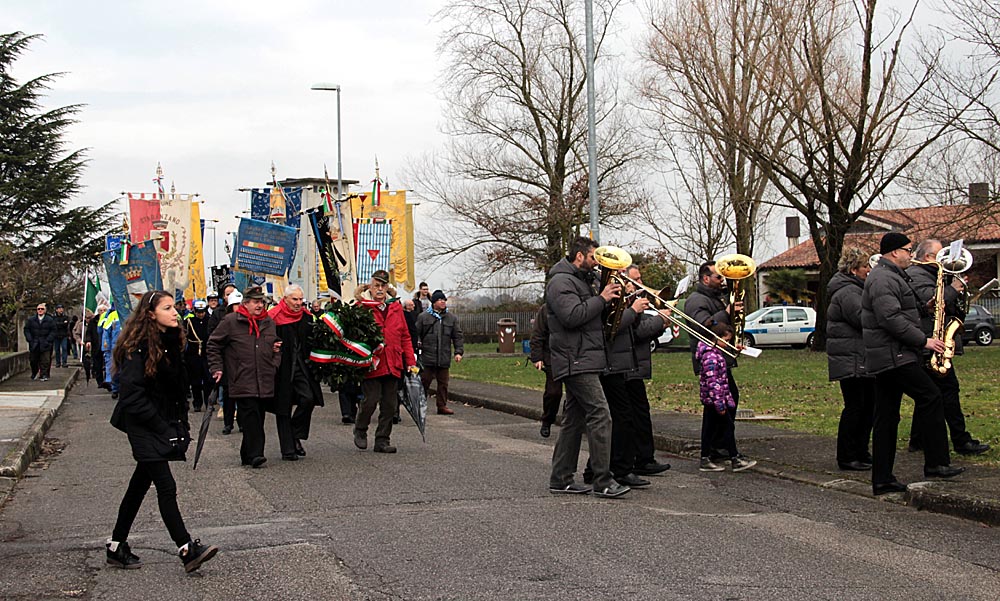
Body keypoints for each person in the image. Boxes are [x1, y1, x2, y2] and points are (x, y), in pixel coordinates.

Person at [106, 289, 218, 573]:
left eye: (173, 307)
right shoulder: (136, 347)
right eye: (167, 308)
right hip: (142, 424)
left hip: (161, 421)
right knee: (166, 486)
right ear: (150, 314)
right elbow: (131, 396)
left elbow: (176, 390)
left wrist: (179, 424)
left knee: (139, 485)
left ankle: (116, 545)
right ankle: (186, 548)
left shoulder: (171, 342)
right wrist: (161, 428)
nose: (174, 313)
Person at [862, 232, 963, 496]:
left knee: (887, 416)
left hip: (889, 354)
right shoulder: (883, 278)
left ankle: (883, 479)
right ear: (895, 252)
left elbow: (898, 311)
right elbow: (890, 318)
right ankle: (936, 463)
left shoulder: (890, 276)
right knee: (931, 396)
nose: (911, 254)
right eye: (908, 250)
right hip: (894, 354)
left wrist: (924, 308)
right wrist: (924, 341)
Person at [546, 236, 630, 499]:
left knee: (574, 419)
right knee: (600, 413)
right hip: (575, 358)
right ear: (579, 256)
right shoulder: (560, 282)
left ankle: (561, 478)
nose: (598, 263)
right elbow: (572, 316)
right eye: (594, 257)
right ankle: (602, 480)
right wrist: (602, 298)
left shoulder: (585, 281)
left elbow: (596, 317)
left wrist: (618, 299)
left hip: (585, 357)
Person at [905, 239, 990, 456]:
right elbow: (931, 303)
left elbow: (950, 307)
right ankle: (961, 441)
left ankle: (918, 440)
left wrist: (959, 291)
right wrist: (952, 288)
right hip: (930, 343)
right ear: (927, 257)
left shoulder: (934, 275)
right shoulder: (916, 275)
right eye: (939, 255)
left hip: (935, 341)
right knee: (948, 391)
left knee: (930, 395)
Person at [687, 261, 755, 471]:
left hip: (721, 357)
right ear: (705, 278)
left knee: (726, 403)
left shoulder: (716, 297)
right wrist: (726, 312)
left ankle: (718, 448)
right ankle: (718, 450)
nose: (722, 280)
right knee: (718, 408)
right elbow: (703, 327)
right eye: (718, 277)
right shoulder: (696, 300)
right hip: (711, 361)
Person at [207, 287, 282, 468]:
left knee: (257, 417)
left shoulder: (268, 322)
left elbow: (276, 346)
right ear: (245, 304)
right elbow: (213, 344)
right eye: (255, 302)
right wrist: (217, 368)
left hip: (264, 377)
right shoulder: (231, 321)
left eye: (261, 302)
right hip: (242, 377)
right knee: (251, 415)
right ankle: (256, 454)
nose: (259, 305)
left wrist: (274, 363)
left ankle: (246, 454)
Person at [353, 269, 416, 454]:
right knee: (370, 401)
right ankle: (360, 428)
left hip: (392, 362)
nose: (380, 289)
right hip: (371, 363)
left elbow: (405, 336)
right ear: (370, 287)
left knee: (390, 405)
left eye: (383, 286)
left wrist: (410, 361)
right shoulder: (362, 307)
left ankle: (382, 440)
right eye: (376, 286)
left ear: (387, 287)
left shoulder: (395, 307)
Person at [827, 248, 876, 471]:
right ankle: (848, 455)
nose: (869, 270)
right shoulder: (848, 293)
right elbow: (862, 319)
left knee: (867, 407)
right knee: (856, 408)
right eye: (865, 266)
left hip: (858, 356)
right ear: (854, 269)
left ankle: (860, 451)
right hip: (853, 359)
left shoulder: (854, 289)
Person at [622, 265, 672, 477]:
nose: (641, 283)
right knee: (635, 415)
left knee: (641, 414)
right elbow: (635, 333)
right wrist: (659, 319)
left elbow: (643, 333)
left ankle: (644, 458)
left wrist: (661, 325)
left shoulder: (634, 303)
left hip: (635, 364)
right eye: (636, 279)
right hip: (627, 366)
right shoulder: (626, 304)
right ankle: (640, 459)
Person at [268, 284, 324, 460]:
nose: (298, 303)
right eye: (295, 299)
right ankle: (288, 449)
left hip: (301, 367)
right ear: (285, 299)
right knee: (283, 408)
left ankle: (295, 434)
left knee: (308, 399)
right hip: (281, 369)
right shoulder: (273, 317)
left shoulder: (306, 317)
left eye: (301, 299)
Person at [696, 323, 755, 472]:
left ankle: (707, 458)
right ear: (716, 338)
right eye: (726, 340)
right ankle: (734, 458)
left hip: (716, 399)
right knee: (726, 427)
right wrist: (720, 404)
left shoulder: (715, 352)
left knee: (711, 428)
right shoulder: (711, 356)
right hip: (715, 400)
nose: (727, 344)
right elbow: (713, 382)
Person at [415, 290, 464, 415]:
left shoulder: (451, 318)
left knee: (443, 383)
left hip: (443, 356)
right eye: (440, 300)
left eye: (444, 300)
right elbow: (416, 334)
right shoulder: (423, 317)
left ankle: (442, 406)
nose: (443, 302)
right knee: (424, 382)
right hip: (427, 356)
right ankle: (420, 405)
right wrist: (417, 347)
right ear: (434, 302)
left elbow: (457, 336)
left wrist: (458, 352)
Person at [529, 304, 562, 438]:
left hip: (574, 356)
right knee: (554, 392)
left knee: (576, 394)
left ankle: (570, 423)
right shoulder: (546, 309)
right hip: (552, 356)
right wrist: (537, 357)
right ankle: (547, 420)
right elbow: (537, 334)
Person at [184, 300, 212, 412]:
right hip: (193, 354)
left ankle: (208, 402)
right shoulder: (189, 321)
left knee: (208, 380)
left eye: (202, 312)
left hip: (206, 353)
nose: (201, 314)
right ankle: (197, 402)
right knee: (195, 380)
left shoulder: (209, 320)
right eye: (198, 312)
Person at [24, 302, 56, 381]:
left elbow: (53, 331)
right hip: (34, 343)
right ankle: (34, 372)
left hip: (45, 343)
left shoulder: (50, 320)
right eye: (38, 309)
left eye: (42, 309)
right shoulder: (31, 320)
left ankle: (43, 374)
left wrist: (48, 340)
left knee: (45, 360)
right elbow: (26, 329)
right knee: (33, 360)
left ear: (45, 310)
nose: (40, 310)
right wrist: (30, 339)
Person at [86, 299, 109, 388]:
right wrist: (88, 341)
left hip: (106, 344)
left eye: (104, 310)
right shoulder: (93, 321)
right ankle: (99, 381)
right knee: (97, 364)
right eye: (100, 310)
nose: (102, 312)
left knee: (107, 363)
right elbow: (89, 332)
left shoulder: (109, 319)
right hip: (96, 345)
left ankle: (107, 380)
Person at [101, 306, 122, 399]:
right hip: (115, 347)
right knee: (116, 369)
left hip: (129, 347)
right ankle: (115, 389)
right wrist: (106, 347)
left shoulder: (132, 314)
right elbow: (106, 332)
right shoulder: (113, 315)